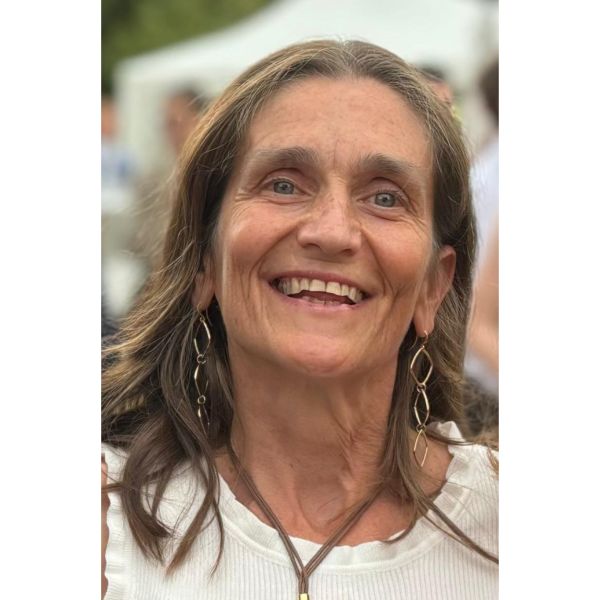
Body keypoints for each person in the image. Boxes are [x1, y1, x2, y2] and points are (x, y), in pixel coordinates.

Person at [102, 40, 498, 600]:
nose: (331, 232)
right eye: (283, 185)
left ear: (434, 286)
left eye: (385, 198)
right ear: (204, 260)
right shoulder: (102, 530)